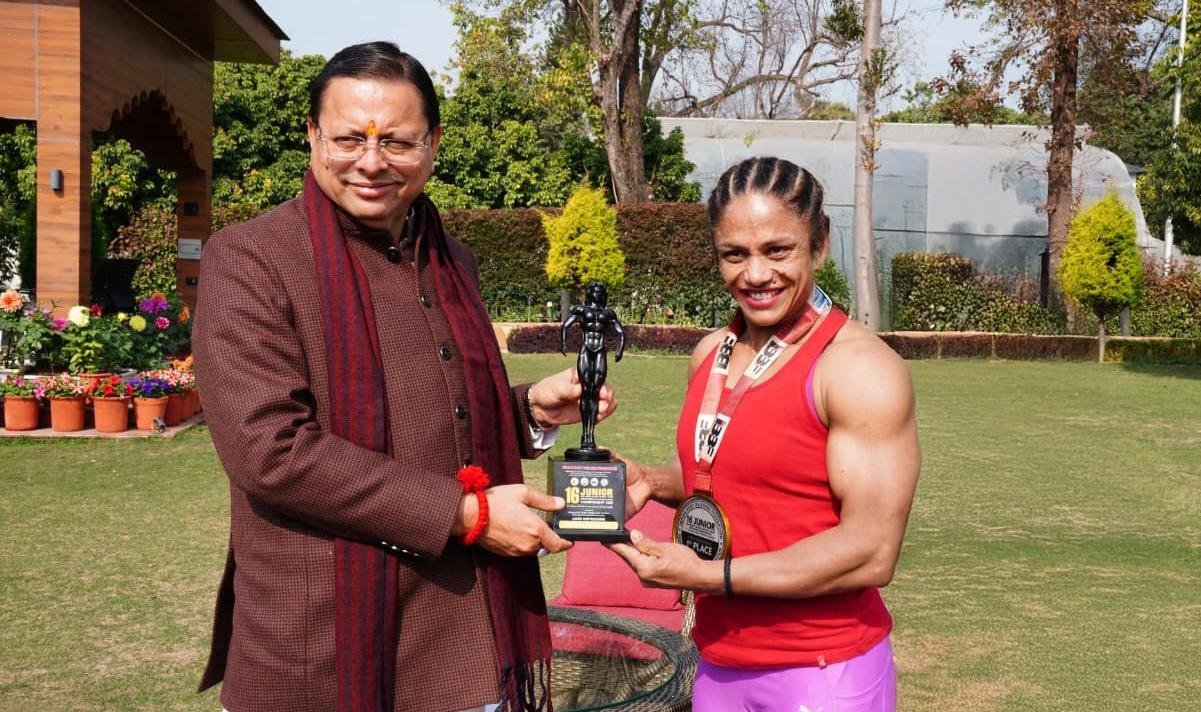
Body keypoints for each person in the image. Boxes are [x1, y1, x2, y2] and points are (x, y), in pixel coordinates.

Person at [193, 42, 610, 712]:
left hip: (456, 632)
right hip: (319, 638)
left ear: (433, 144)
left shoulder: (449, 259)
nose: (371, 161)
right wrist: (467, 514)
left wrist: (527, 408)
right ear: (311, 134)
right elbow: (270, 451)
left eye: (396, 141)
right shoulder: (252, 258)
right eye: (348, 138)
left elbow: (434, 414)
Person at [608, 157, 919, 711]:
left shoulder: (858, 369)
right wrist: (652, 480)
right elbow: (731, 476)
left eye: (777, 251)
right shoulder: (711, 354)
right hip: (720, 664)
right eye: (735, 254)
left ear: (819, 243)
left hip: (820, 669)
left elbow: (871, 551)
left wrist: (711, 575)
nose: (755, 275)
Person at [559, 281, 626, 453]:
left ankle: (590, 433)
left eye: (599, 291)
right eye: (594, 291)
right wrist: (563, 343)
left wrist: (620, 349)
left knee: (595, 392)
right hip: (586, 349)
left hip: (600, 351)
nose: (597, 294)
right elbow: (565, 326)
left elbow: (621, 331)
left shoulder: (608, 313)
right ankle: (585, 434)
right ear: (589, 293)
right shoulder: (582, 311)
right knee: (585, 390)